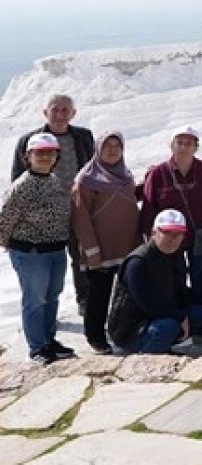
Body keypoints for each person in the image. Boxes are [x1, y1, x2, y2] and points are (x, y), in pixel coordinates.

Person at [11, 94, 95, 315]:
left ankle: (85, 302)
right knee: (46, 264)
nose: (60, 115)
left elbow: (94, 169)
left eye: (65, 110)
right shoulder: (28, 140)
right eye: (55, 109)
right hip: (43, 216)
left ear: (73, 114)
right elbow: (17, 181)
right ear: (45, 112)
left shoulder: (84, 137)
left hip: (78, 207)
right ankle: (45, 313)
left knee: (81, 256)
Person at [1, 133, 75, 364]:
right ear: (28, 156)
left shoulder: (52, 180)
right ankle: (37, 347)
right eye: (39, 152)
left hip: (55, 251)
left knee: (52, 297)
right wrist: (15, 249)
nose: (44, 157)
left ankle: (48, 340)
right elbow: (4, 220)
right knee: (35, 299)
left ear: (56, 156)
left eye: (49, 152)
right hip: (31, 252)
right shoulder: (22, 186)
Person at [138, 125, 202, 327]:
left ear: (196, 147)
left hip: (200, 233)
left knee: (199, 277)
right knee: (173, 280)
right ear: (172, 145)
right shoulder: (158, 172)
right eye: (180, 142)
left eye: (189, 143)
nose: (184, 147)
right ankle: (178, 322)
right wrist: (149, 235)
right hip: (169, 236)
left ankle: (200, 326)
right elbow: (149, 205)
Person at [111, 210, 202, 354]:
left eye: (178, 234)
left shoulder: (176, 255)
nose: (173, 238)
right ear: (154, 232)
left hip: (164, 315)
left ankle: (164, 345)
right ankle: (149, 356)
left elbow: (181, 291)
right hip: (132, 328)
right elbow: (148, 305)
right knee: (168, 326)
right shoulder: (138, 262)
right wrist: (180, 317)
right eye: (167, 232)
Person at [71, 131, 142, 354]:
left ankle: (123, 333)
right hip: (100, 250)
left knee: (125, 295)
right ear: (97, 150)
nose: (112, 150)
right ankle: (95, 337)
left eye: (116, 146)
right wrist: (91, 250)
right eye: (107, 146)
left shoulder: (125, 175)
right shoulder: (86, 179)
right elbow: (80, 216)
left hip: (127, 246)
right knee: (98, 295)